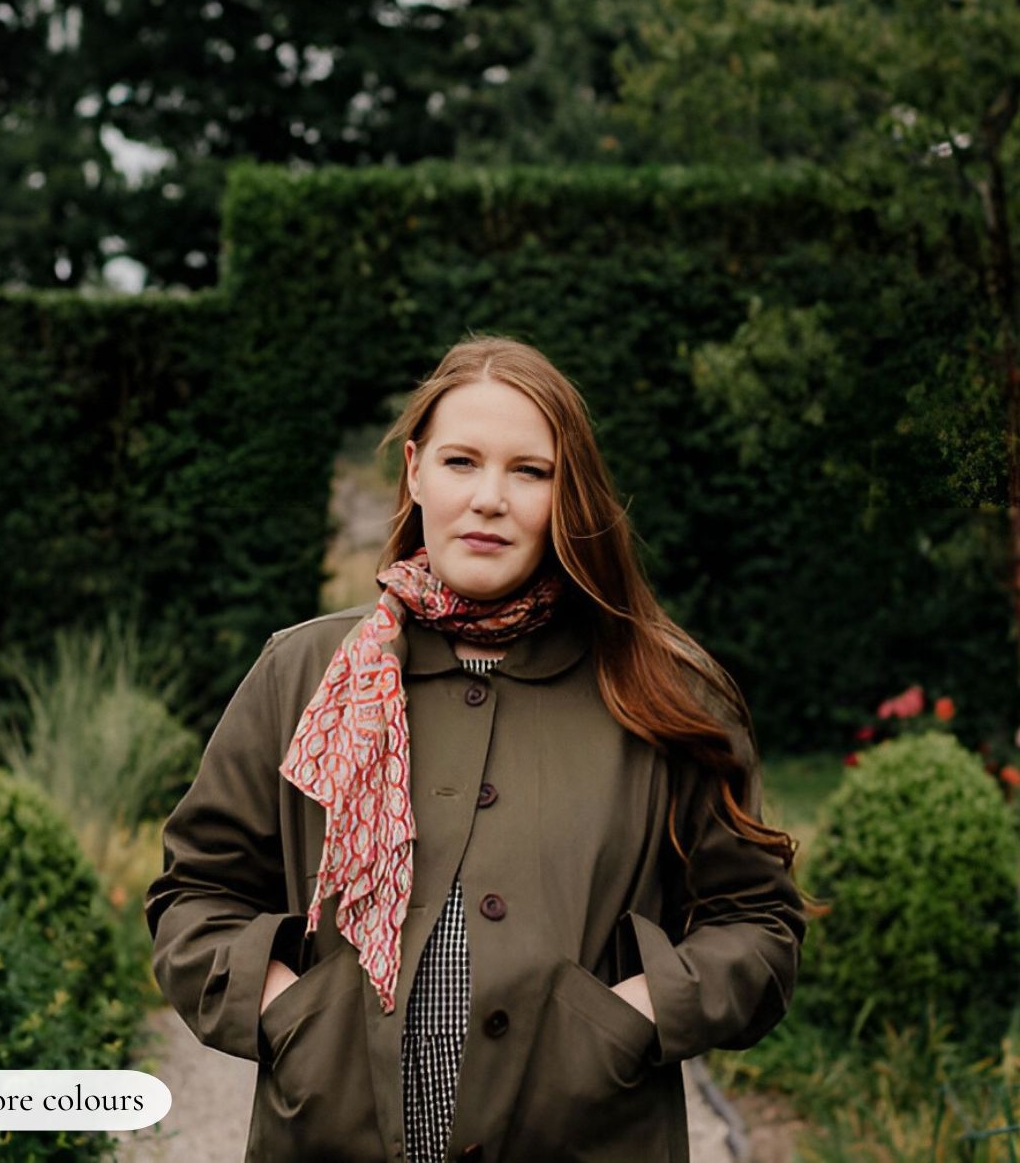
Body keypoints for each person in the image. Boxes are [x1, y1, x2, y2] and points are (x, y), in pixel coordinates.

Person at [145, 333, 806, 1163]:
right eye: (462, 462)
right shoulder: (302, 672)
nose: (489, 498)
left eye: (530, 471)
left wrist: (633, 1017)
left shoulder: (664, 691)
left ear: (570, 496)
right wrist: (287, 1010)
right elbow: (195, 892)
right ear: (416, 471)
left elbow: (757, 924)